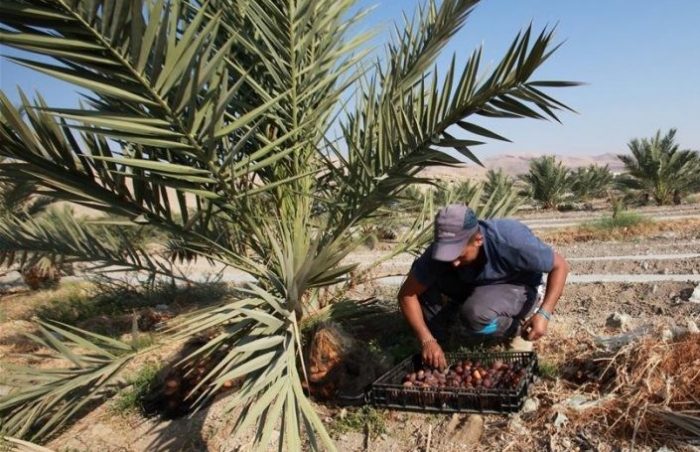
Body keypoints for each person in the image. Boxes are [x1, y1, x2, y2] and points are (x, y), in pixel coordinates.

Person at [397, 204, 569, 370]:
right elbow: (407, 295)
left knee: (475, 314)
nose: (454, 262)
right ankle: (442, 342)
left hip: (516, 285)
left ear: (478, 240)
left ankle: (513, 329)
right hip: (472, 284)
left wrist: (544, 313)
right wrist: (427, 339)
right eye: (447, 255)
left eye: (460, 255)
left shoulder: (510, 240)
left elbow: (560, 266)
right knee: (423, 280)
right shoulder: (439, 252)